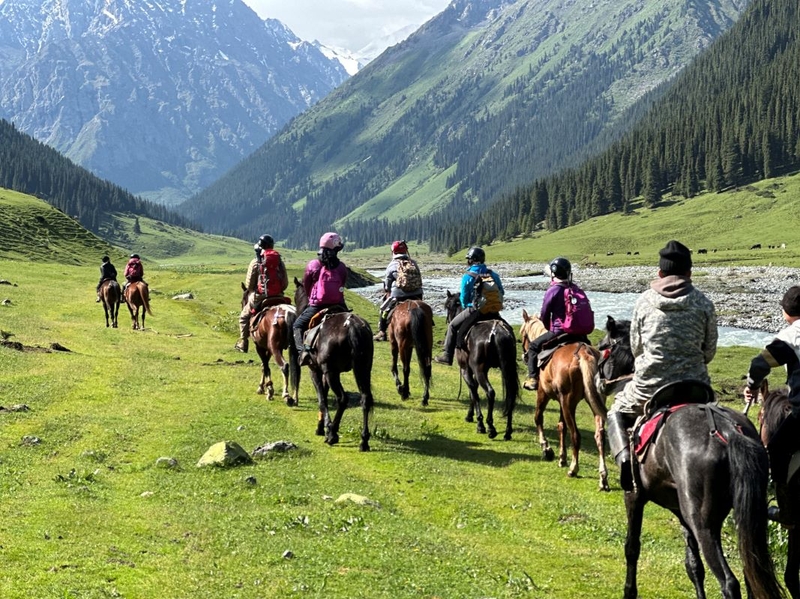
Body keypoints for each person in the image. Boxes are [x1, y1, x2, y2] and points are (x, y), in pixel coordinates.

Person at [607, 240, 717, 491]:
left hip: (650, 387)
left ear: (660, 273)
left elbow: (636, 348)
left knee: (616, 410)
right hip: (696, 387)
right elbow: (709, 352)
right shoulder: (704, 303)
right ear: (689, 273)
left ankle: (625, 460)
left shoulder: (644, 302)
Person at [744, 285, 800, 526]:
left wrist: (753, 385)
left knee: (777, 449)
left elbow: (760, 363)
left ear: (786, 312)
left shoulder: (792, 336)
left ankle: (787, 513)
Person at [434, 246, 504, 365]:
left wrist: (470, 305)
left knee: (452, 326)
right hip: (493, 310)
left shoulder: (468, 276)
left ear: (471, 260)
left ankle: (447, 356)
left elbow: (464, 299)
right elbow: (501, 292)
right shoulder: (492, 274)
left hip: (476, 310)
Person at [292, 232, 348, 366]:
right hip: (339, 304)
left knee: (297, 325)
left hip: (317, 306)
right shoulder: (341, 267)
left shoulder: (313, 265)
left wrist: (314, 297)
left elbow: (306, 285)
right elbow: (343, 284)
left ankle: (303, 352)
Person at [522, 256, 576, 391]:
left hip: (559, 330)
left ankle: (533, 379)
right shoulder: (575, 288)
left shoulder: (553, 290)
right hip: (578, 331)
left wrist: (548, 327)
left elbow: (545, 313)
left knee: (533, 347)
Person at [235, 234, 288, 353]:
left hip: (260, 296)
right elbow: (285, 283)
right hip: (278, 296)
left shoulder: (256, 262)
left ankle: (243, 342)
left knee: (244, 316)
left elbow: (249, 285)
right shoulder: (279, 261)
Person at [373, 240, 424, 342]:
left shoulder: (392, 265)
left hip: (399, 295)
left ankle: (382, 332)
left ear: (393, 252)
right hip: (417, 294)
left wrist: (387, 290)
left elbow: (387, 285)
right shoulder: (413, 263)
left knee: (384, 310)